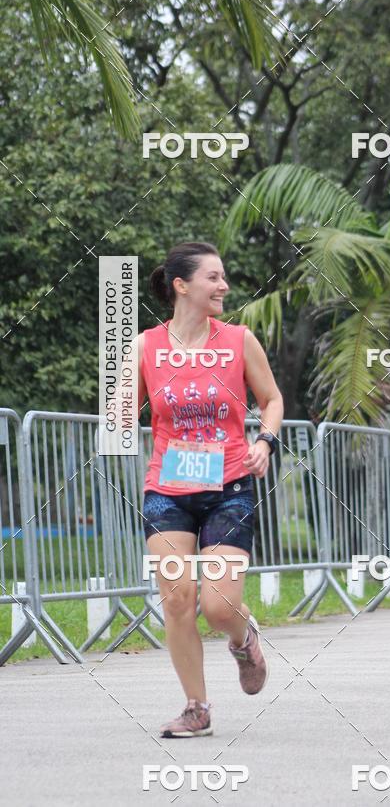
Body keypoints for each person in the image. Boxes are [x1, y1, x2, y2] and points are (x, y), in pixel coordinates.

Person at [135, 241, 284, 737]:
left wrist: (264, 440)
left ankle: (244, 641)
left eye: (223, 277)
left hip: (229, 487)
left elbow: (271, 399)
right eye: (213, 278)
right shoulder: (145, 346)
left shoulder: (239, 340)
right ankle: (196, 708)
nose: (224, 286)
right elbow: (118, 416)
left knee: (219, 608)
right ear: (182, 286)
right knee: (178, 599)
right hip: (166, 489)